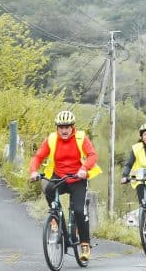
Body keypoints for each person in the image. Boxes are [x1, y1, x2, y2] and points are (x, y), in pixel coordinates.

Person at [29, 110, 101, 262]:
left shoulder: (81, 138)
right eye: (61, 127)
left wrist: (84, 169)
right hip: (59, 177)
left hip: (77, 178)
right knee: (48, 189)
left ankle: (85, 245)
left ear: (72, 127)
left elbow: (92, 155)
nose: (64, 130)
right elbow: (38, 156)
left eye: (67, 127)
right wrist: (33, 171)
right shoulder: (52, 139)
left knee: (79, 211)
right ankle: (57, 220)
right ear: (57, 128)